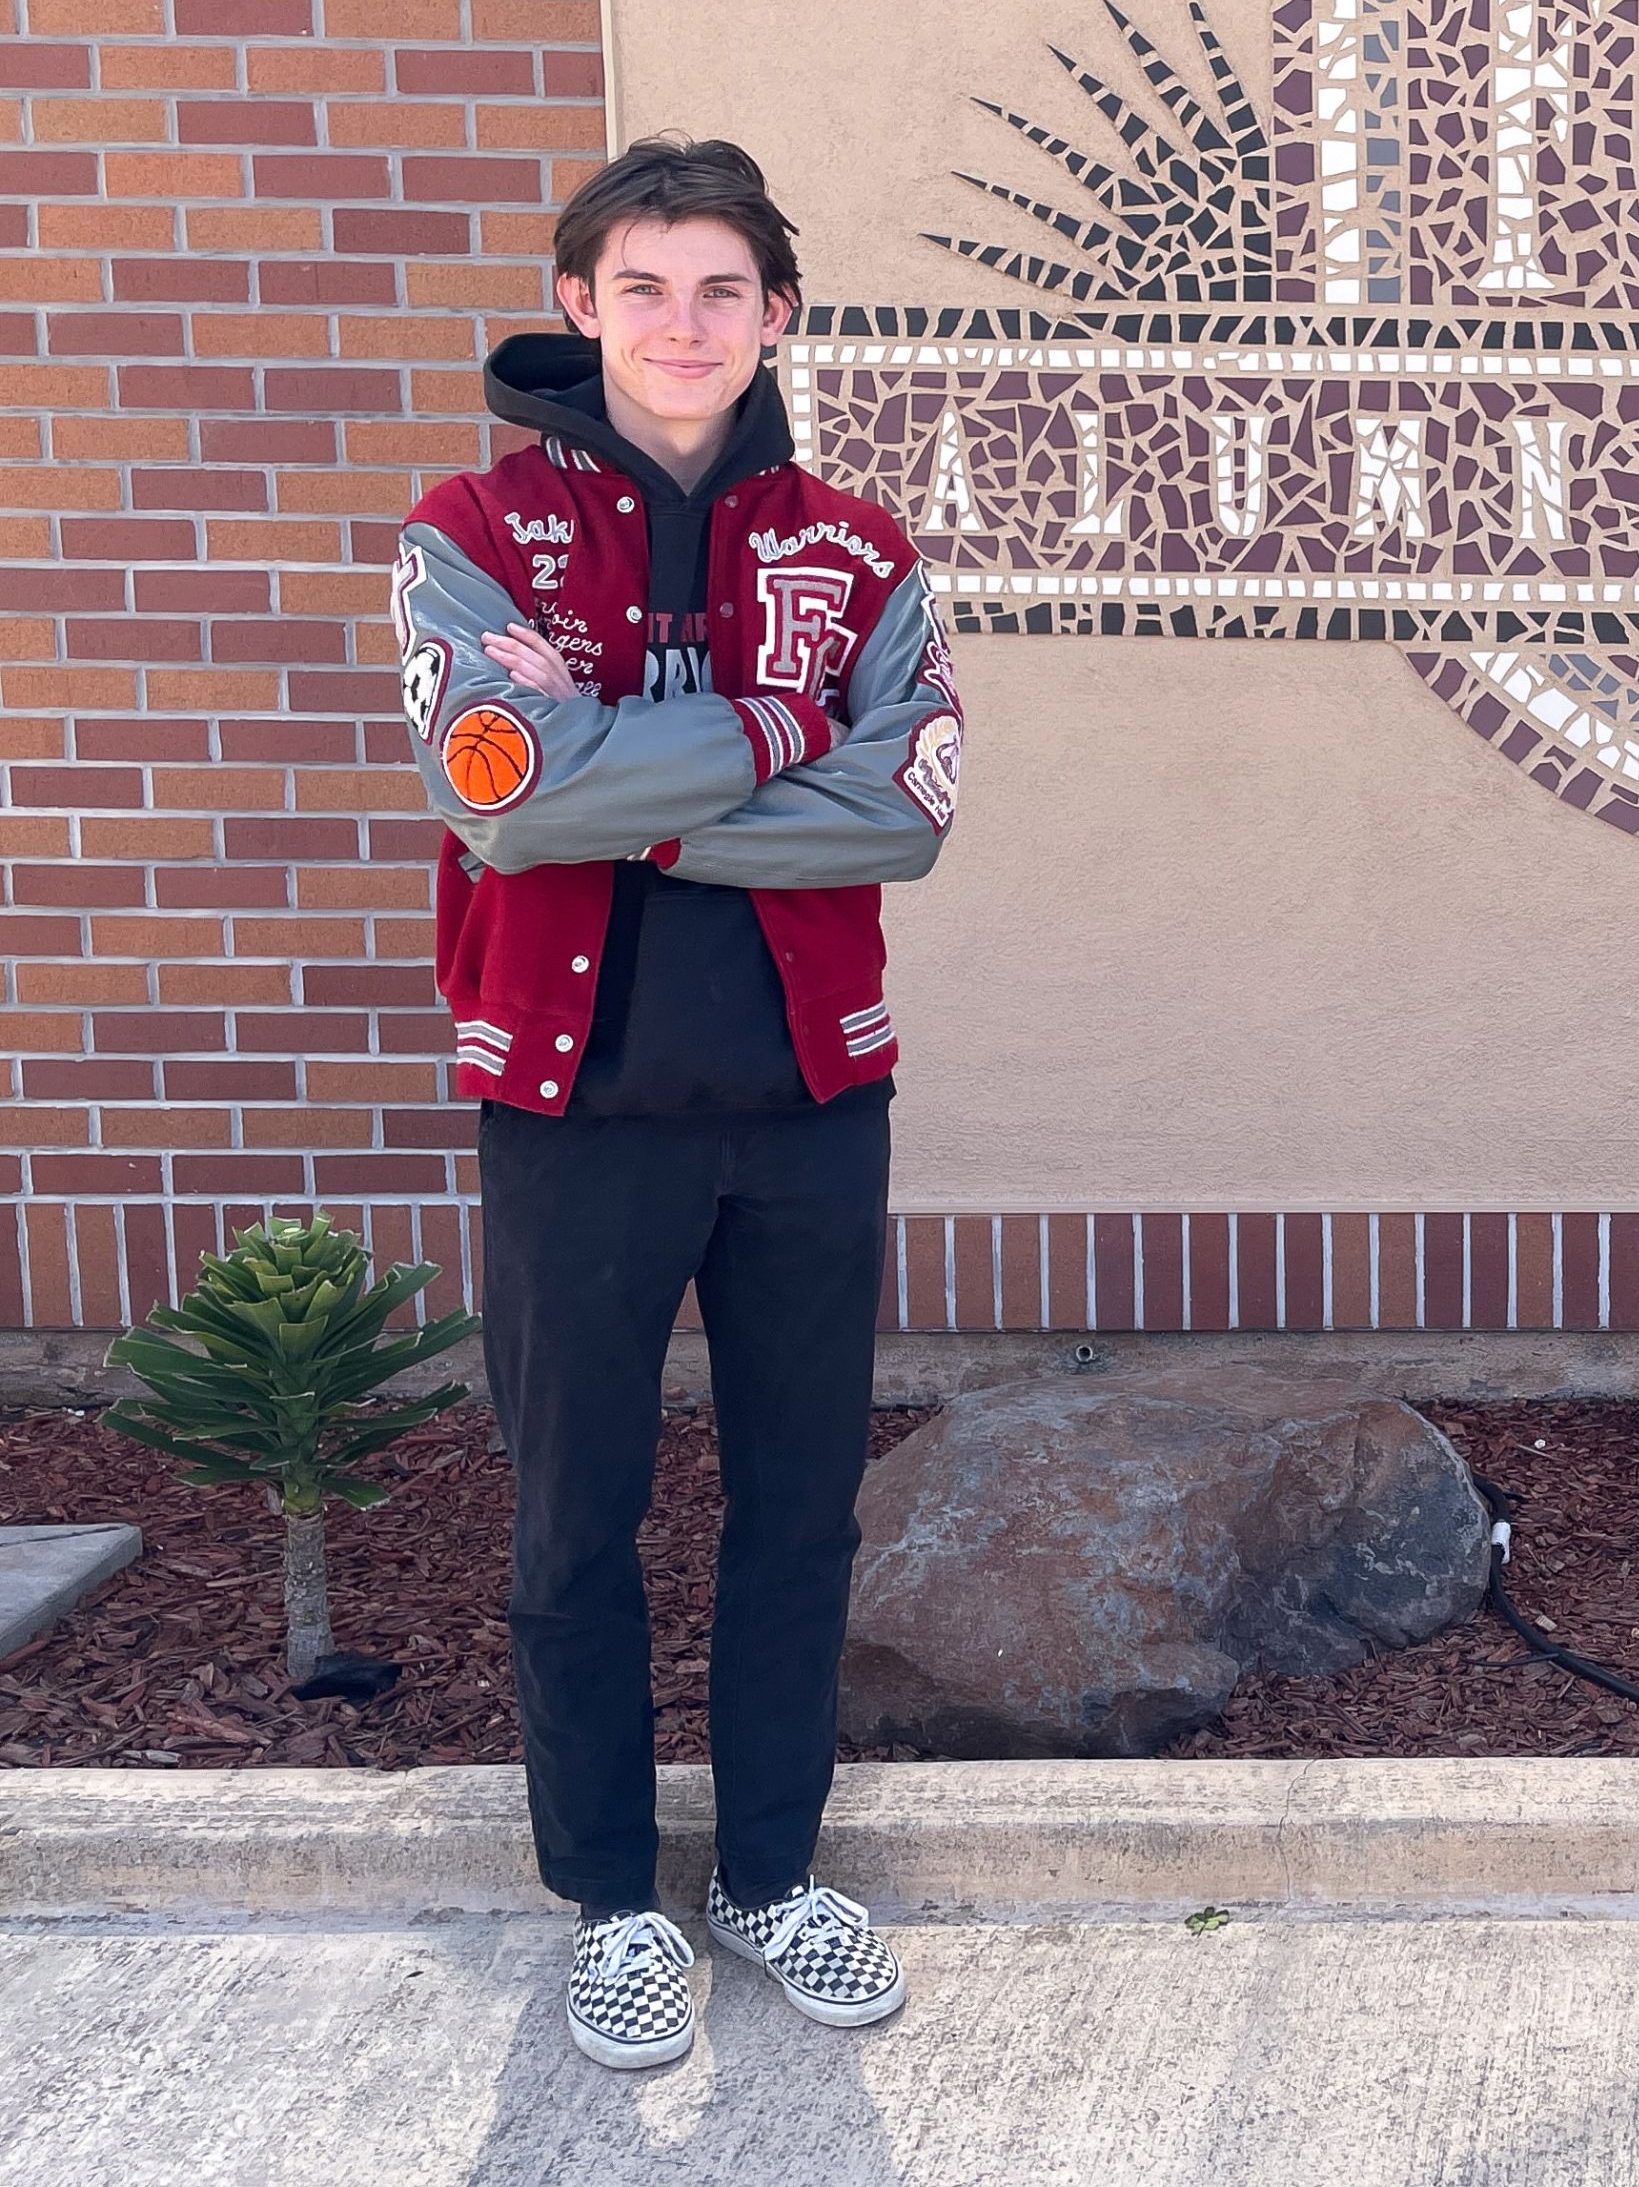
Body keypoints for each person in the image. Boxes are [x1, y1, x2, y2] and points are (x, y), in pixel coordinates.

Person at [393, 136, 966, 2069]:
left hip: (811, 1102)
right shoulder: (470, 529)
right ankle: (614, 1899)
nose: (682, 322)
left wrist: (635, 789)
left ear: (777, 315)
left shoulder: (864, 549)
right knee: (576, 1517)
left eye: (722, 288)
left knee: (802, 1508)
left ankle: (774, 1871)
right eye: (642, 286)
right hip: (576, 1108)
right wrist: (778, 740)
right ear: (579, 306)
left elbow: (909, 812)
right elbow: (502, 789)